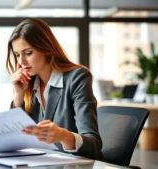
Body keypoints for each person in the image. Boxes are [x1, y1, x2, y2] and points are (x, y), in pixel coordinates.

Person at [6, 19, 103, 160]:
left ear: (46, 49)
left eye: (28, 53)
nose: (21, 62)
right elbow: (13, 139)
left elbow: (93, 144)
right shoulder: (29, 85)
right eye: (17, 55)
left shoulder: (77, 78)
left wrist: (64, 136)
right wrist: (19, 96)